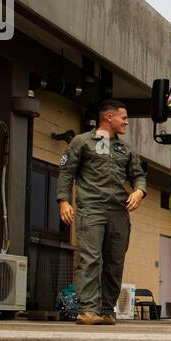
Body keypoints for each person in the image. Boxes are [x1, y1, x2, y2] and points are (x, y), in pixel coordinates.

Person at [57, 99, 147, 325]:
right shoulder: (82, 142)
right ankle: (88, 310)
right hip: (92, 209)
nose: (126, 122)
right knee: (91, 259)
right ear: (109, 117)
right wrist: (64, 201)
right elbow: (67, 172)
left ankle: (106, 310)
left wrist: (139, 191)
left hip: (119, 211)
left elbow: (138, 175)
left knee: (115, 262)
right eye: (123, 118)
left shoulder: (125, 149)